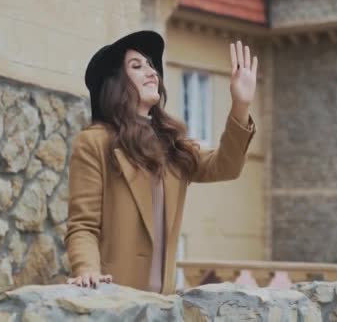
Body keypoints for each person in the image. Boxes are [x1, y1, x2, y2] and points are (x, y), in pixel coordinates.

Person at [64, 30, 257, 294]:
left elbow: (226, 165)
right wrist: (87, 270)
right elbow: (83, 225)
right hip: (113, 300)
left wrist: (240, 105)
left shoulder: (173, 146)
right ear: (116, 84)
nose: (151, 71)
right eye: (137, 66)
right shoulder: (94, 143)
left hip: (162, 305)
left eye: (151, 65)